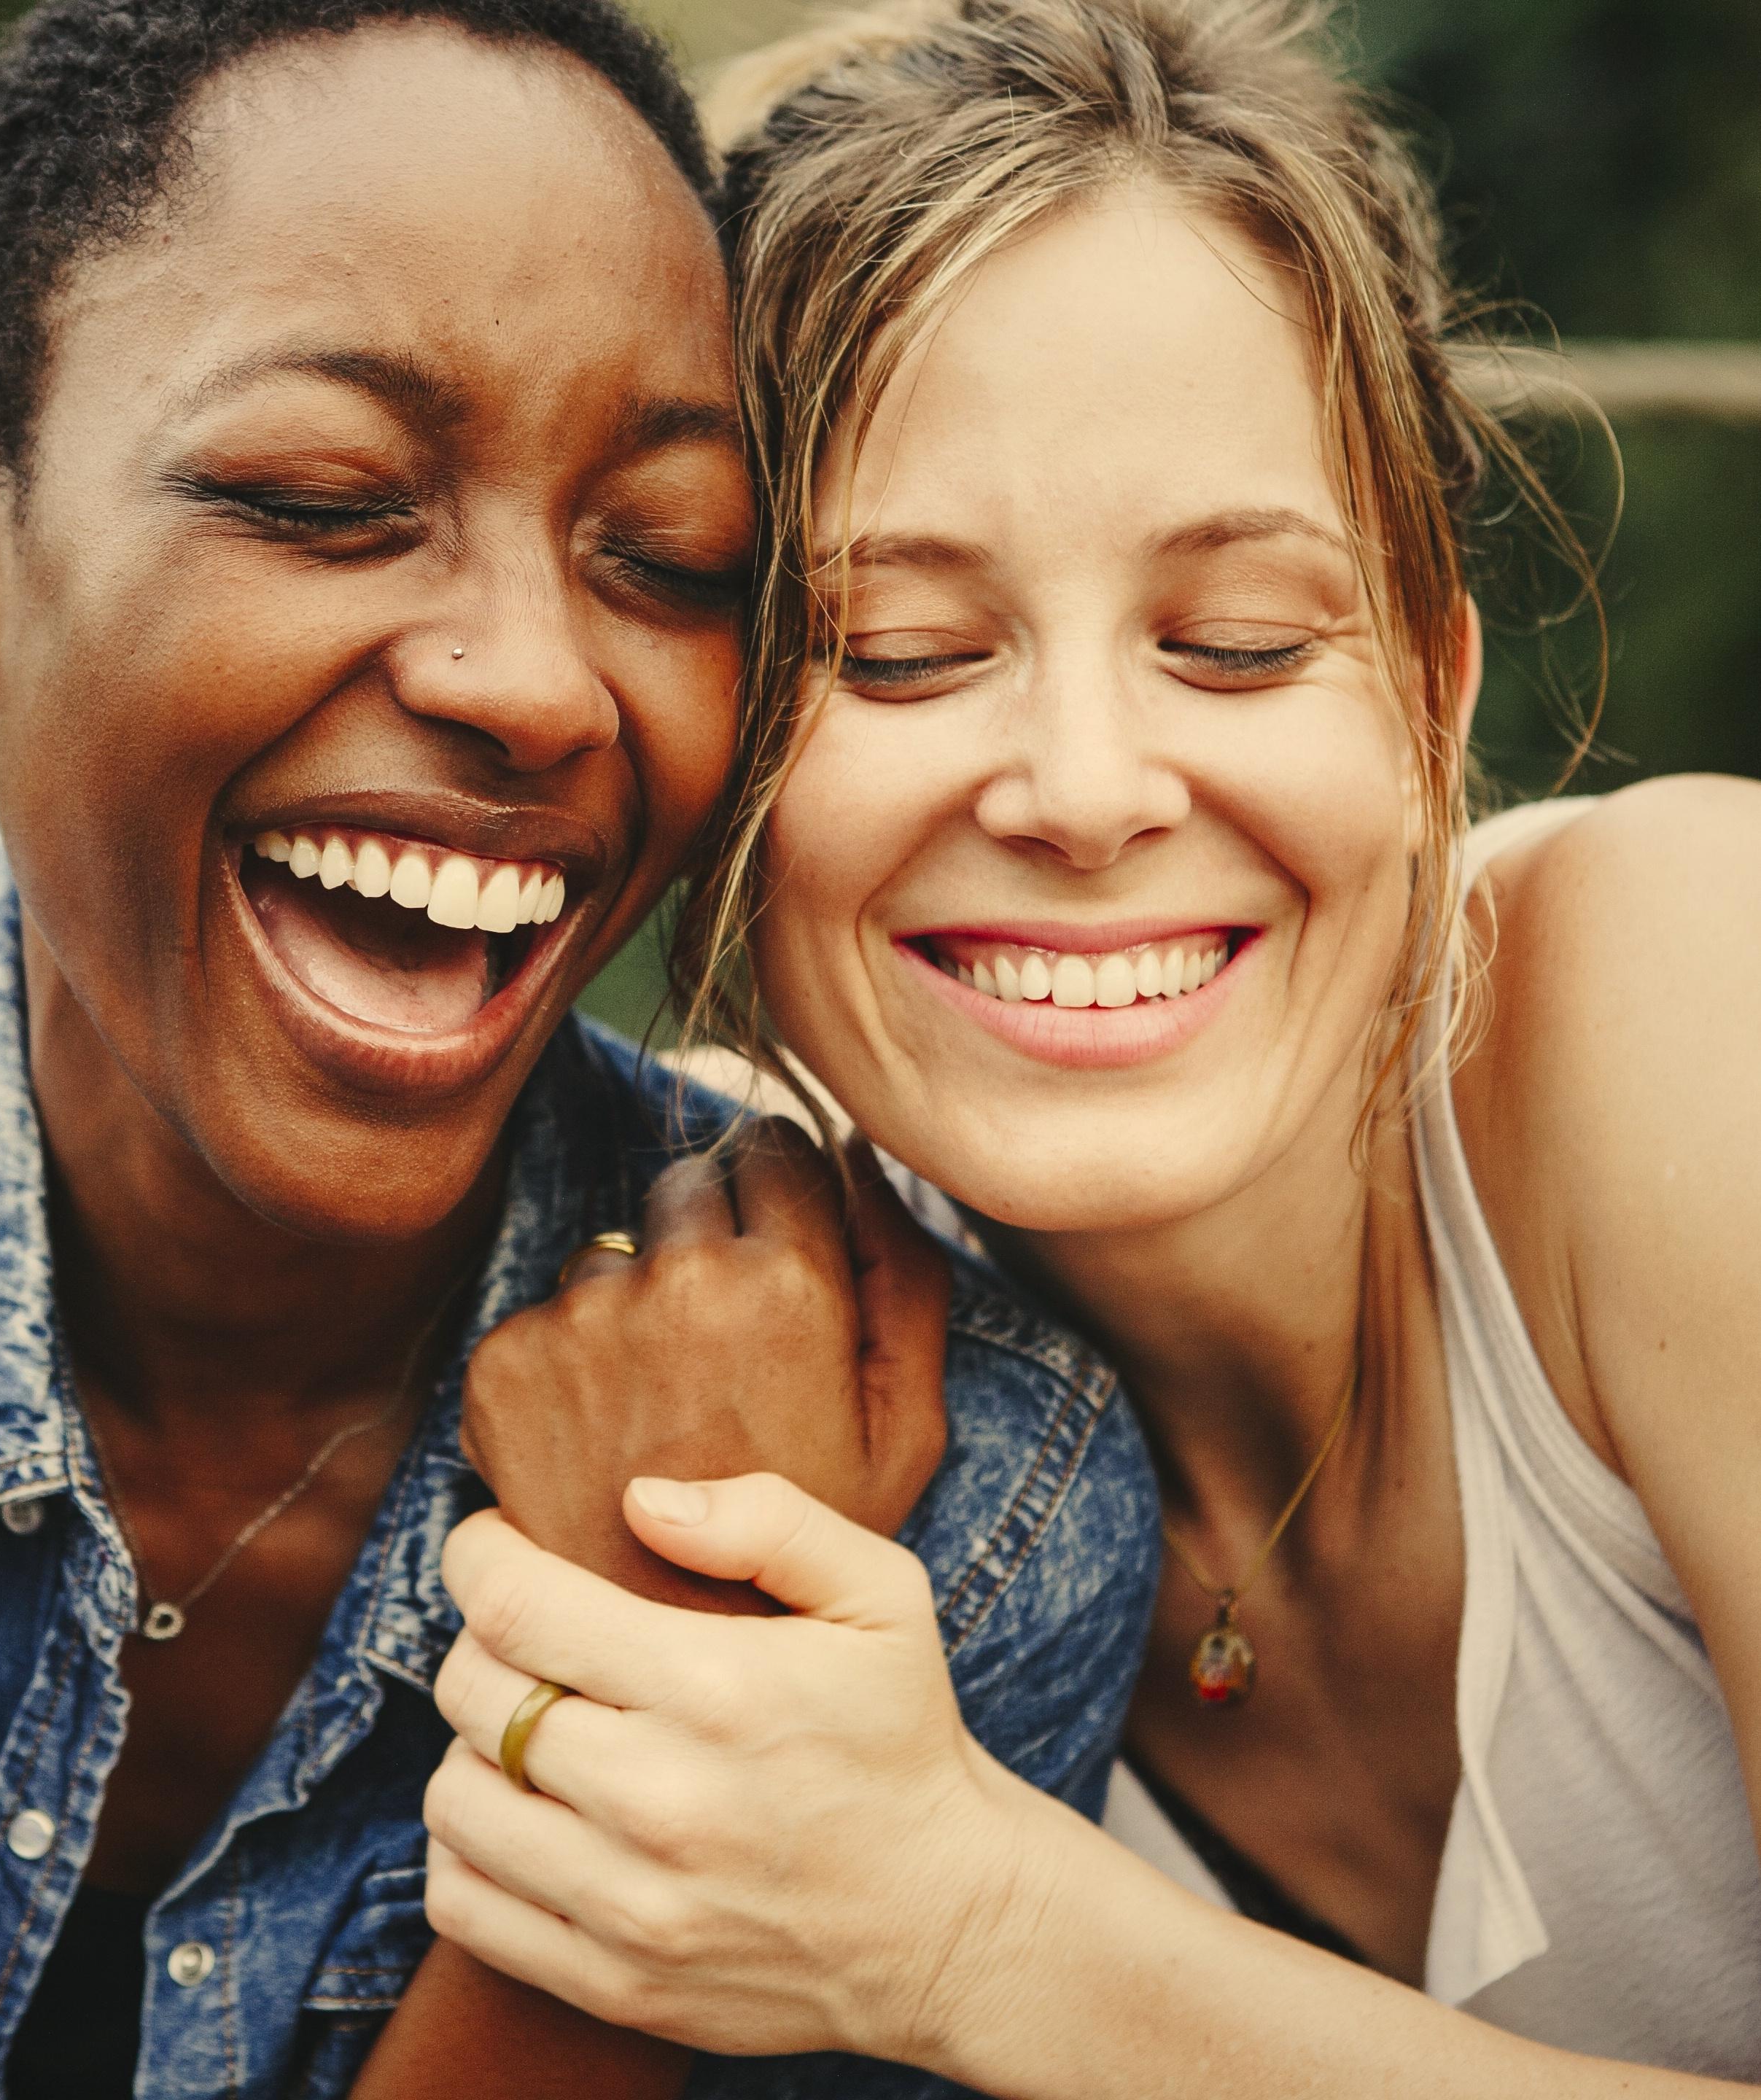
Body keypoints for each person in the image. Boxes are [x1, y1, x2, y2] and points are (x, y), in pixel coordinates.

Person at [0, 4, 1160, 2096]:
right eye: (324, 498)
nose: (531, 679)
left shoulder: (940, 1511)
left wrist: (680, 1675)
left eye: (668, 558)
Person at [416, 0, 1761, 2091]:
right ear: (710, 767)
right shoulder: (773, 1327)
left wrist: (971, 1936)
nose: (1083, 785)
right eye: (899, 653)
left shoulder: (1688, 988)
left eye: (1233, 645)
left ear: (1425, 698)